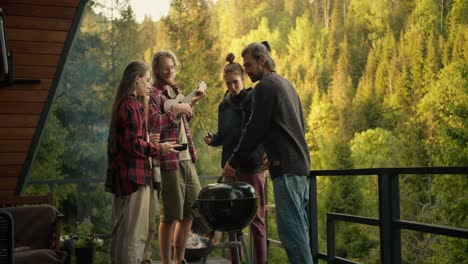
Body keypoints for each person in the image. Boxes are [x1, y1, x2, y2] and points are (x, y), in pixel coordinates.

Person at [221, 42, 313, 264]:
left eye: (249, 65)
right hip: (300, 166)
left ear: (263, 61)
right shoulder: (286, 84)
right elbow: (298, 125)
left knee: (292, 234)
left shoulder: (265, 86)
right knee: (300, 230)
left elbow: (254, 129)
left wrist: (232, 163)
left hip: (287, 168)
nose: (247, 70)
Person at [105, 61, 179, 264]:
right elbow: (132, 144)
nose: (149, 85)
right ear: (136, 79)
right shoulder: (131, 106)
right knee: (133, 237)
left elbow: (130, 141)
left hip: (130, 177)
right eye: (146, 80)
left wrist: (149, 142)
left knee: (132, 233)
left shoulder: (126, 104)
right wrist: (159, 148)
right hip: (134, 178)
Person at [204, 53, 267, 264]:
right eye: (229, 83)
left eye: (236, 82)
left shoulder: (253, 99)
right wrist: (213, 139)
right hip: (230, 168)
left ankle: (260, 261)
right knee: (231, 218)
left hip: (253, 165)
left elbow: (259, 131)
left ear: (243, 78)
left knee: (257, 218)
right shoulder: (224, 105)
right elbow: (224, 136)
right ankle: (236, 261)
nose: (232, 87)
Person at [148, 50, 205, 264]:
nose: (170, 70)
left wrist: (193, 103)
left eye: (173, 66)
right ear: (156, 70)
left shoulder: (176, 90)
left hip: (186, 156)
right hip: (168, 159)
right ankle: (166, 261)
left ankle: (179, 259)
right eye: (166, 67)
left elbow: (182, 122)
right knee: (170, 215)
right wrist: (175, 111)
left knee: (191, 210)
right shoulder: (153, 93)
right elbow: (153, 123)